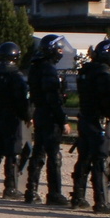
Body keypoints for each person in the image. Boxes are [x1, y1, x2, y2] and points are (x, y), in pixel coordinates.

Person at [69, 38, 110, 214]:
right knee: (100, 160)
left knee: (84, 159)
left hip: (85, 119)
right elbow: (106, 100)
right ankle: (101, 201)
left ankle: (78, 197)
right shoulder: (103, 74)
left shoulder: (86, 72)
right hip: (98, 121)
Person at [24, 34, 69, 206]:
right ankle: (54, 193)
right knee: (53, 155)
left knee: (38, 153)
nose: (61, 51)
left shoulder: (35, 67)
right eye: (59, 48)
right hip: (50, 115)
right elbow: (53, 97)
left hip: (40, 113)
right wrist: (63, 119)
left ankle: (31, 190)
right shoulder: (48, 69)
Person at [0, 42, 30, 199]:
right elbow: (22, 100)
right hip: (12, 117)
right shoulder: (16, 76)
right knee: (13, 151)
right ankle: (10, 186)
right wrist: (27, 116)